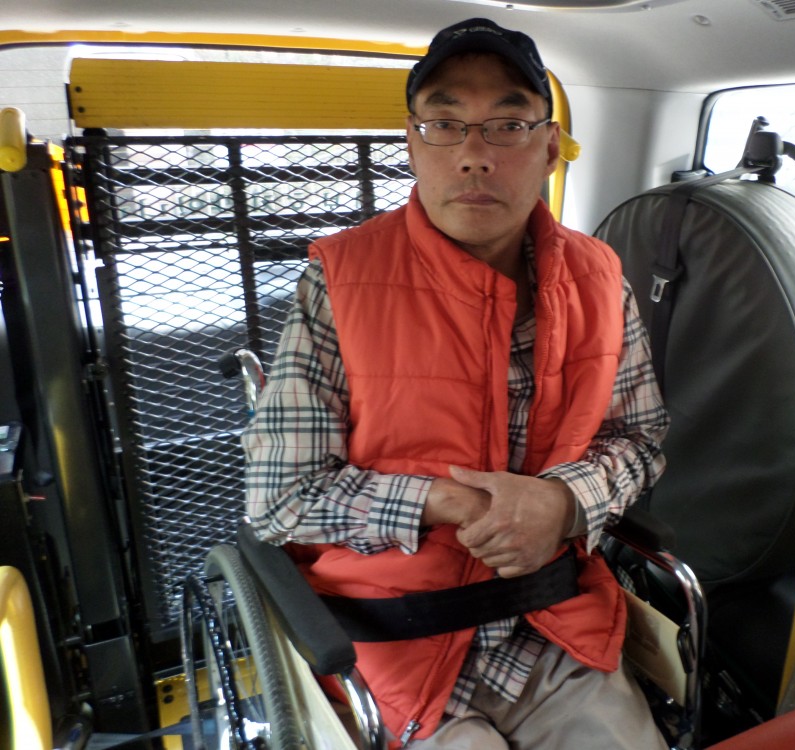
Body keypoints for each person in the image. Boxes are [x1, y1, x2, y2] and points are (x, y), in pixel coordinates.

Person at [243, 17, 669, 749]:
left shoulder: (600, 278)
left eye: (508, 124)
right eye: (444, 124)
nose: (474, 154)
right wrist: (451, 502)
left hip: (557, 629)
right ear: (413, 146)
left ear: (549, 149)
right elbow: (281, 498)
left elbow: (641, 437)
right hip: (388, 647)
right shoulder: (339, 280)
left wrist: (564, 503)